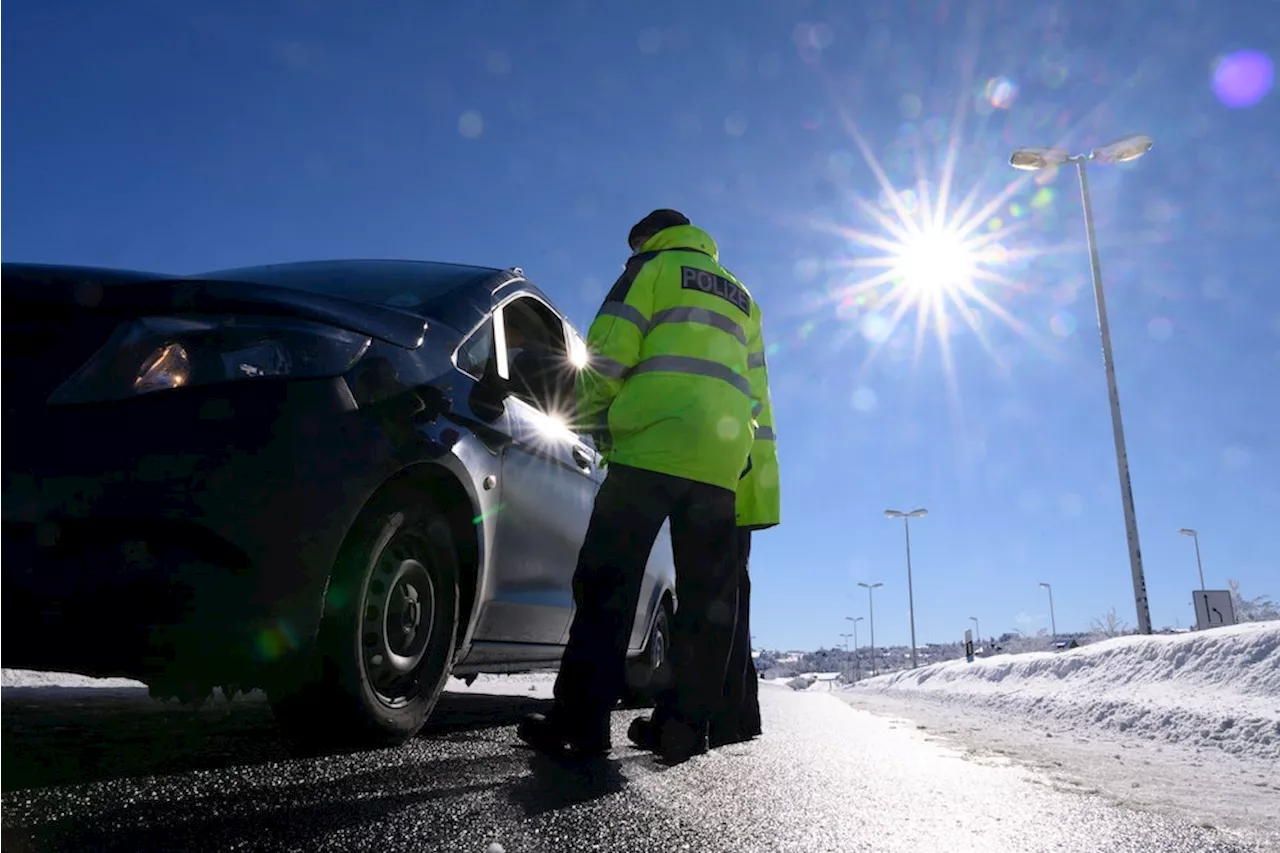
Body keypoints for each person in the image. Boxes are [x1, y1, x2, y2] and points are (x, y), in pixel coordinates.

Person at [517, 209, 765, 765]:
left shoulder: (649, 269)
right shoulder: (743, 296)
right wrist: (750, 476)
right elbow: (758, 394)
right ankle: (683, 728)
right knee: (705, 601)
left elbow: (607, 354)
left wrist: (582, 420)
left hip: (649, 447)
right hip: (720, 460)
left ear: (646, 238)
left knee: (609, 582)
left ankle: (583, 721)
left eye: (633, 245)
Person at [627, 315, 780, 752]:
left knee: (711, 602)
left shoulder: (700, 334)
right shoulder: (741, 323)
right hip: (745, 470)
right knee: (729, 597)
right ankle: (734, 715)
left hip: (720, 467)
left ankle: (701, 718)